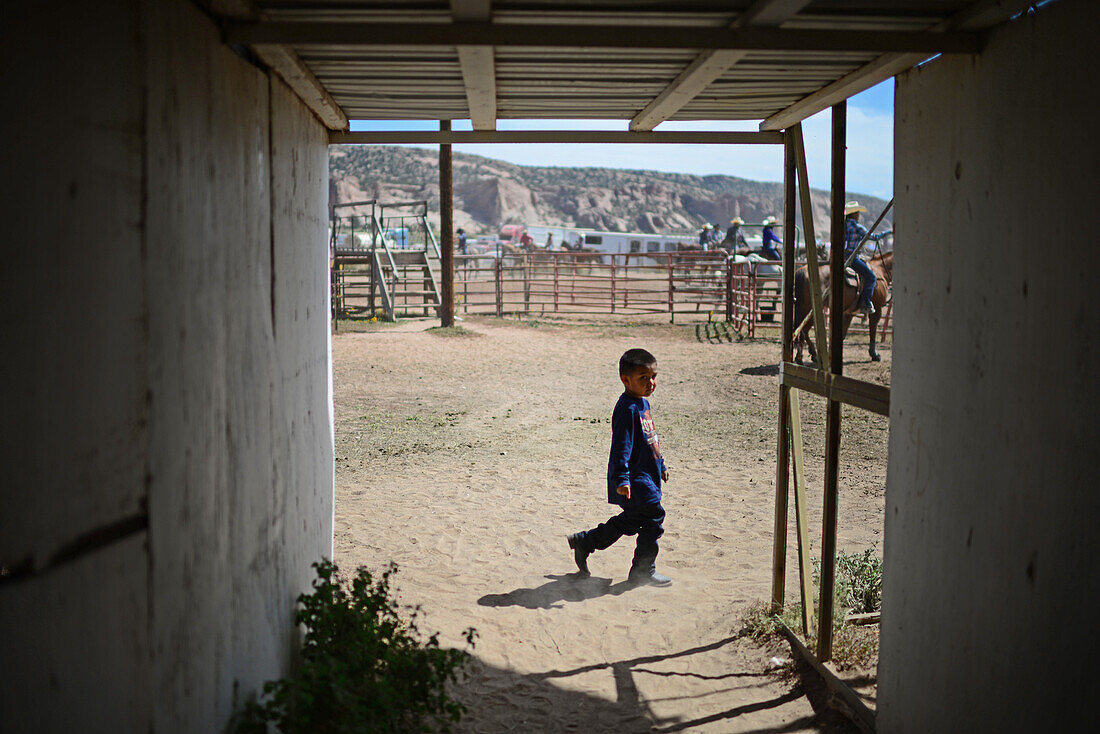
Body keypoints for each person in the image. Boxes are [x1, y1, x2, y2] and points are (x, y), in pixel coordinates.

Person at [567, 348, 672, 587]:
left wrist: (661, 464)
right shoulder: (627, 408)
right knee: (654, 519)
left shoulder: (642, 404)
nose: (651, 383)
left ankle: (585, 541)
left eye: (653, 376)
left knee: (633, 521)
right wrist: (622, 479)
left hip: (648, 475)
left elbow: (650, 439)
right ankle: (643, 571)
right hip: (636, 480)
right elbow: (621, 447)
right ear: (626, 380)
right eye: (643, 378)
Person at [843, 201, 891, 316]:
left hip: (842, 256)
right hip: (852, 258)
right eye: (857, 212)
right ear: (854, 214)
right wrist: (888, 232)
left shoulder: (843, 225)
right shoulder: (856, 226)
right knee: (871, 277)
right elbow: (873, 237)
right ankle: (866, 303)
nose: (859, 215)